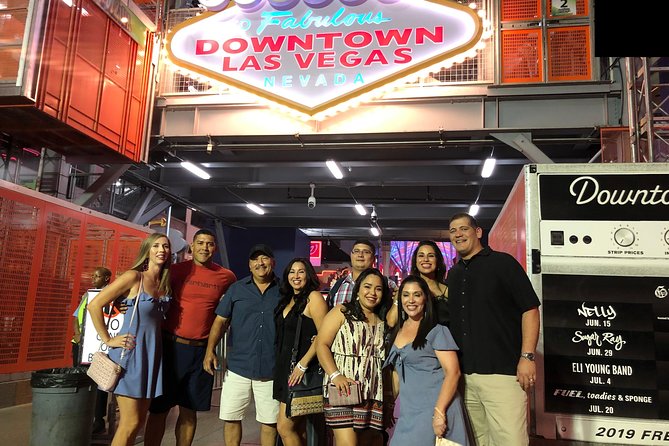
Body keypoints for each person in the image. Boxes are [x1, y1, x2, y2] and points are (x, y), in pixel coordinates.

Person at [446, 213, 540, 446]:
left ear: (478, 232)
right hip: (466, 378)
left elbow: (530, 309)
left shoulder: (503, 263)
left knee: (510, 441)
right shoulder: (454, 274)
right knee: (477, 441)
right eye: (453, 231)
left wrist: (527, 356)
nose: (458, 234)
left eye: (464, 229)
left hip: (503, 374)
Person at [144, 229, 237, 446]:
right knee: (159, 409)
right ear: (192, 247)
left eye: (210, 244)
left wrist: (211, 349)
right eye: (201, 243)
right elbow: (144, 289)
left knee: (189, 411)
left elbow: (228, 313)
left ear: (215, 248)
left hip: (201, 352)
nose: (205, 248)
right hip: (170, 348)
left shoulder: (226, 277)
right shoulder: (174, 271)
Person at [87, 233, 172, 446]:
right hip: (131, 355)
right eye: (156, 246)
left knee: (138, 422)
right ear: (147, 251)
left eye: (165, 246)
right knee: (130, 422)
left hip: (152, 356)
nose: (161, 250)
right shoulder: (134, 277)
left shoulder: (164, 284)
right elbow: (94, 305)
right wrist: (108, 339)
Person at [203, 244, 281, 446]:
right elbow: (220, 321)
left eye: (264, 258)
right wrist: (210, 350)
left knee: (270, 422)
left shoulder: (284, 291)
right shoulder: (237, 289)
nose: (260, 263)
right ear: (249, 264)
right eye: (255, 259)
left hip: (272, 368)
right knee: (231, 417)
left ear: (273, 262)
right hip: (239, 367)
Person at [384, 275, 469, 446]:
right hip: (409, 412)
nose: (411, 300)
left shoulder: (437, 331)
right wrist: (389, 405)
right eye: (406, 295)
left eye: (417, 294)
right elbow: (397, 377)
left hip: (435, 410)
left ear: (425, 298)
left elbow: (453, 372)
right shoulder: (397, 332)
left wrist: (439, 412)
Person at [316, 267, 391, 446]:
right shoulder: (342, 311)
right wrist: (336, 375)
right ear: (358, 289)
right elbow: (321, 344)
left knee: (369, 442)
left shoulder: (383, 321)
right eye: (367, 286)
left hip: (372, 392)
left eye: (378, 288)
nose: (372, 292)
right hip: (342, 389)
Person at [273, 258, 328, 446]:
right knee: (298, 428)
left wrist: (302, 364)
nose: (296, 276)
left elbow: (323, 336)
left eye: (301, 271)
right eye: (292, 272)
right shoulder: (288, 299)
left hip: (301, 370)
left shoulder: (314, 297)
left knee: (284, 427)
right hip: (284, 369)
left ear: (309, 275)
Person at [72, 266, 112, 434]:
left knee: (99, 382)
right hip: (80, 344)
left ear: (106, 279)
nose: (93, 279)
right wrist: (77, 333)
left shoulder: (111, 296)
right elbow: (76, 315)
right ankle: (80, 415)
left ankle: (98, 419)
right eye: (93, 276)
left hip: (97, 346)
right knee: (81, 379)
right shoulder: (87, 295)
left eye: (97, 276)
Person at [327, 239, 397, 308]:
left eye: (366, 252)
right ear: (351, 255)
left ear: (373, 258)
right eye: (356, 251)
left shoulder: (388, 285)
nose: (360, 255)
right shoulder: (338, 286)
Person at [409, 240, 450, 325]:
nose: (426, 259)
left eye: (431, 256)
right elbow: (391, 321)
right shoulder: (407, 288)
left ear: (437, 260)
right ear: (415, 261)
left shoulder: (447, 291)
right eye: (421, 255)